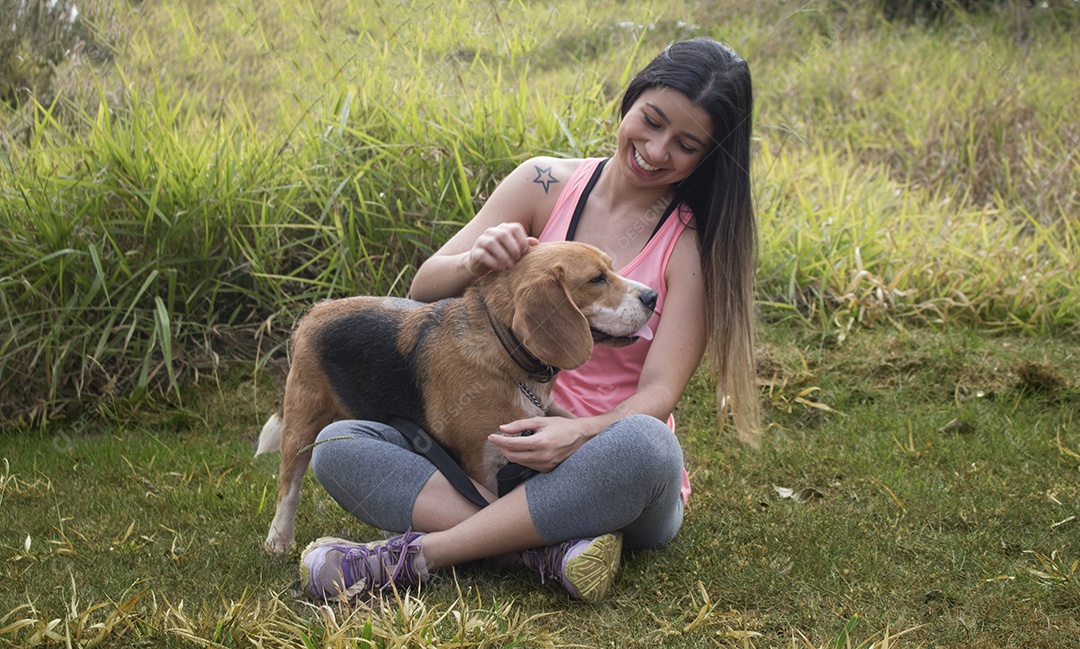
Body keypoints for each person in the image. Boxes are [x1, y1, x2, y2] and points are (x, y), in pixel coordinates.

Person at [299, 37, 760, 603]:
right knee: (337, 444)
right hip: (493, 452)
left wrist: (577, 433)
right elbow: (422, 290)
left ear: (707, 157)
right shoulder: (542, 183)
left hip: (604, 463)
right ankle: (542, 549)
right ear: (631, 99)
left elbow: (661, 391)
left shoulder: (690, 244)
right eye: (652, 120)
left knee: (648, 445)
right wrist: (474, 260)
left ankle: (419, 555)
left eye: (686, 144)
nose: (657, 150)